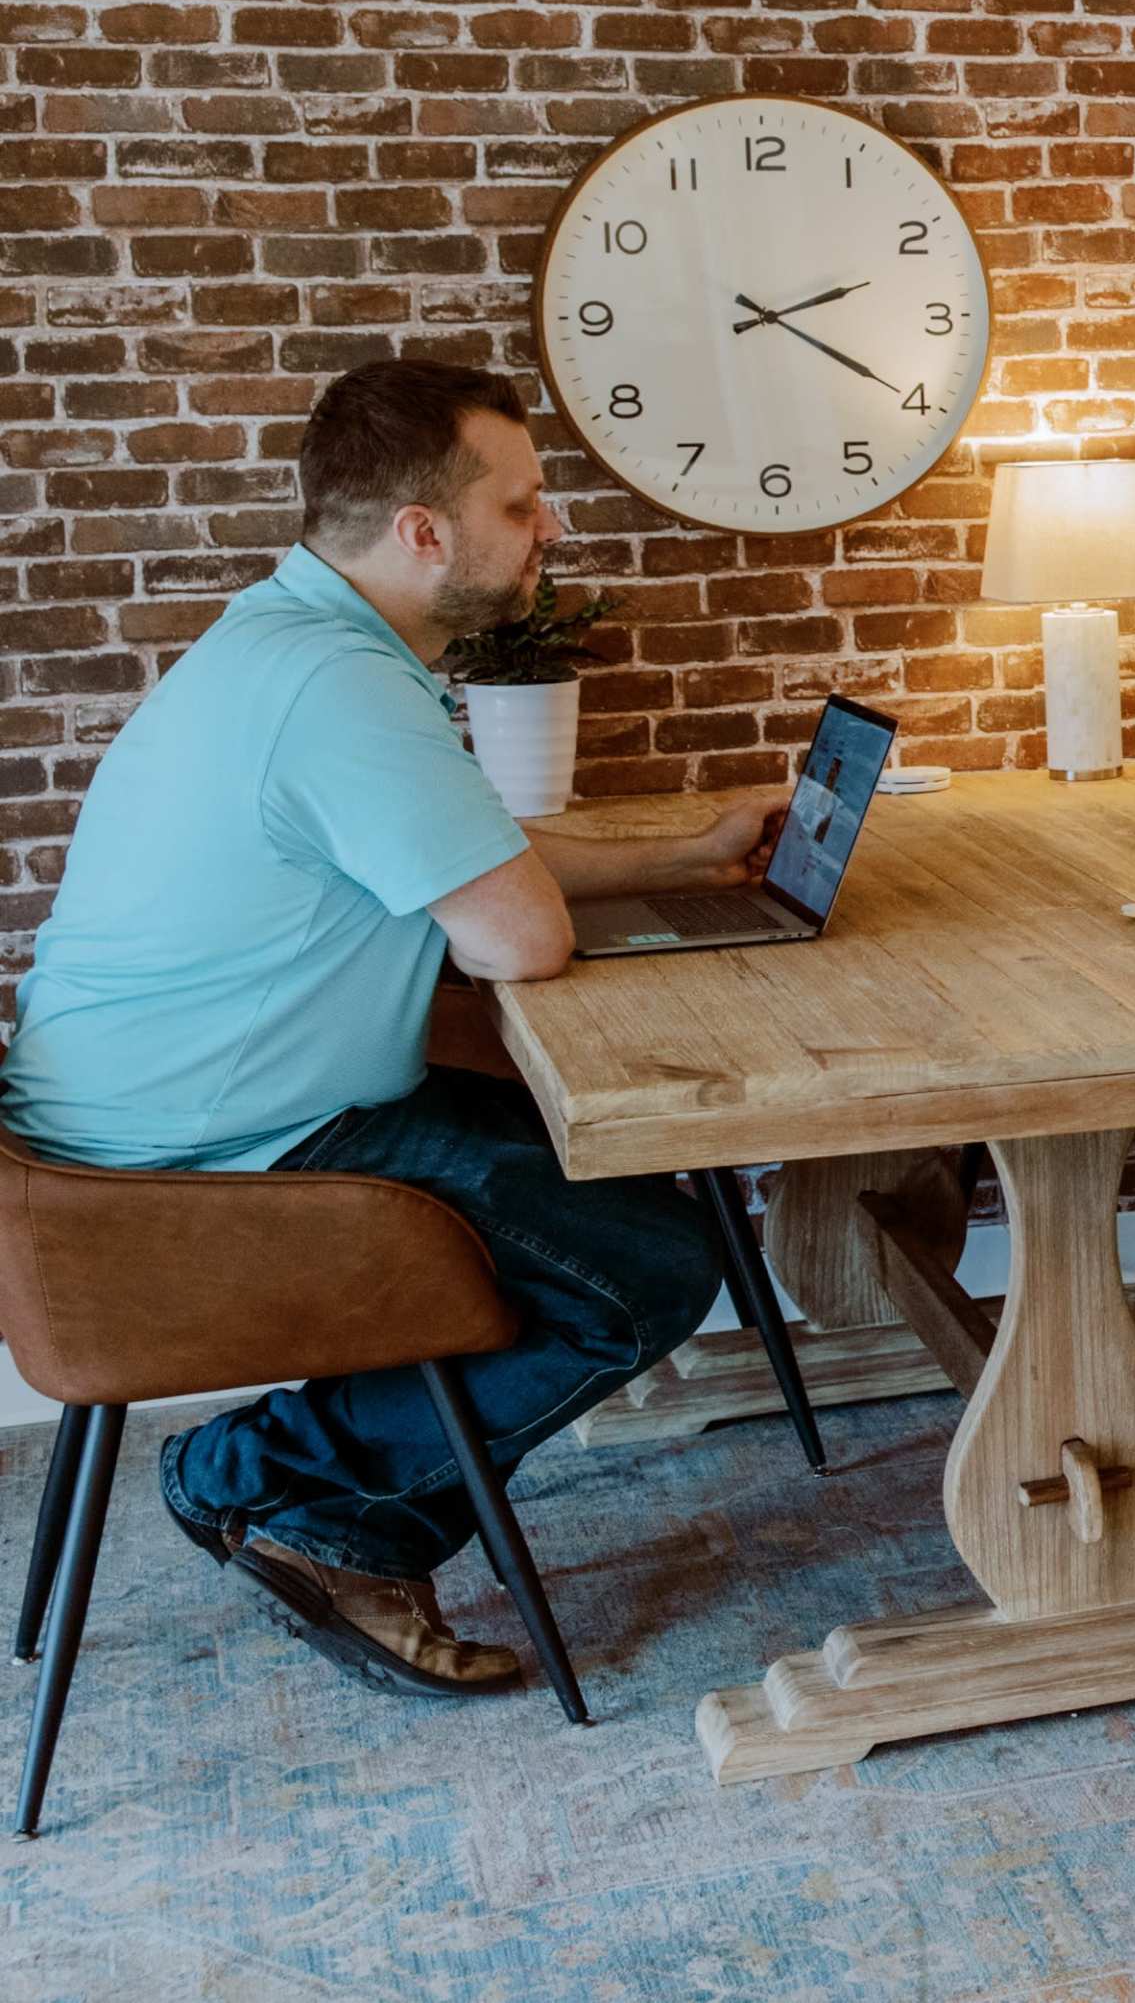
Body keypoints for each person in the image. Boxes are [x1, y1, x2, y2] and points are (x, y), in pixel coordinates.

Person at [0, 358, 786, 1701]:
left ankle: (310, 1483)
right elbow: (515, 936)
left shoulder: (302, 642)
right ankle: (282, 1487)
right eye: (525, 503)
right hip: (190, 1163)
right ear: (424, 532)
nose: (551, 531)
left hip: (165, 1114)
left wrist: (692, 854)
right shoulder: (337, 687)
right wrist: (635, 879)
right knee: (655, 1258)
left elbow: (456, 851)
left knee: (609, 1197)